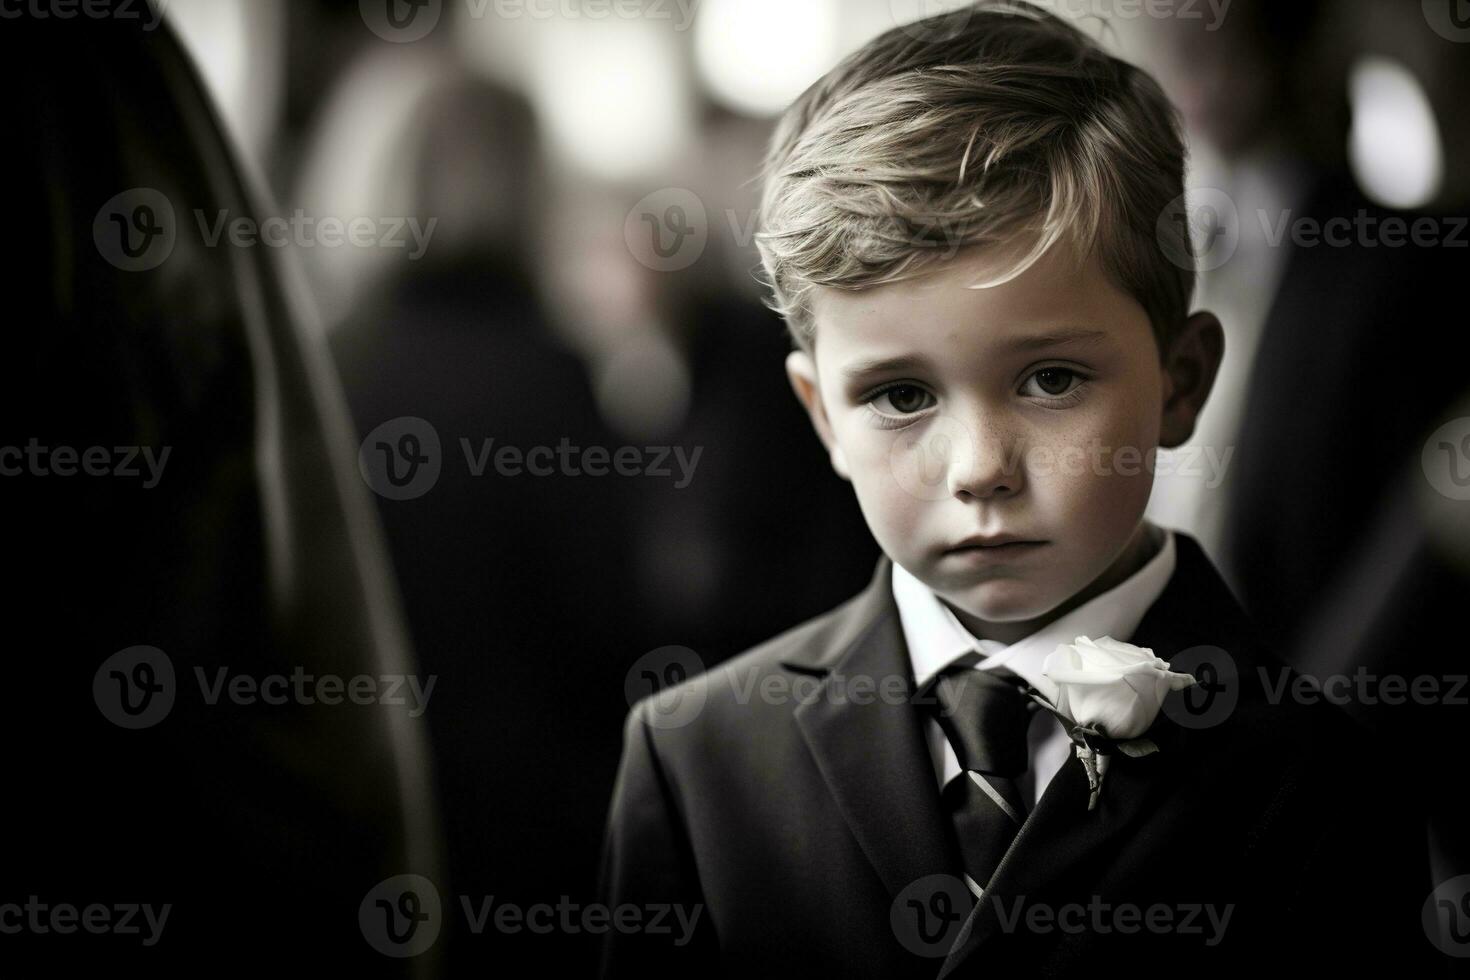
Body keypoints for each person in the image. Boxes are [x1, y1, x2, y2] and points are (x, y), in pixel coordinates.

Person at [596, 3, 1441, 977]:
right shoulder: (697, 759)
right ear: (822, 413)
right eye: (900, 395)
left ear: (1180, 382)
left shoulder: (1323, 781)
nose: (980, 466)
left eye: (1050, 380)